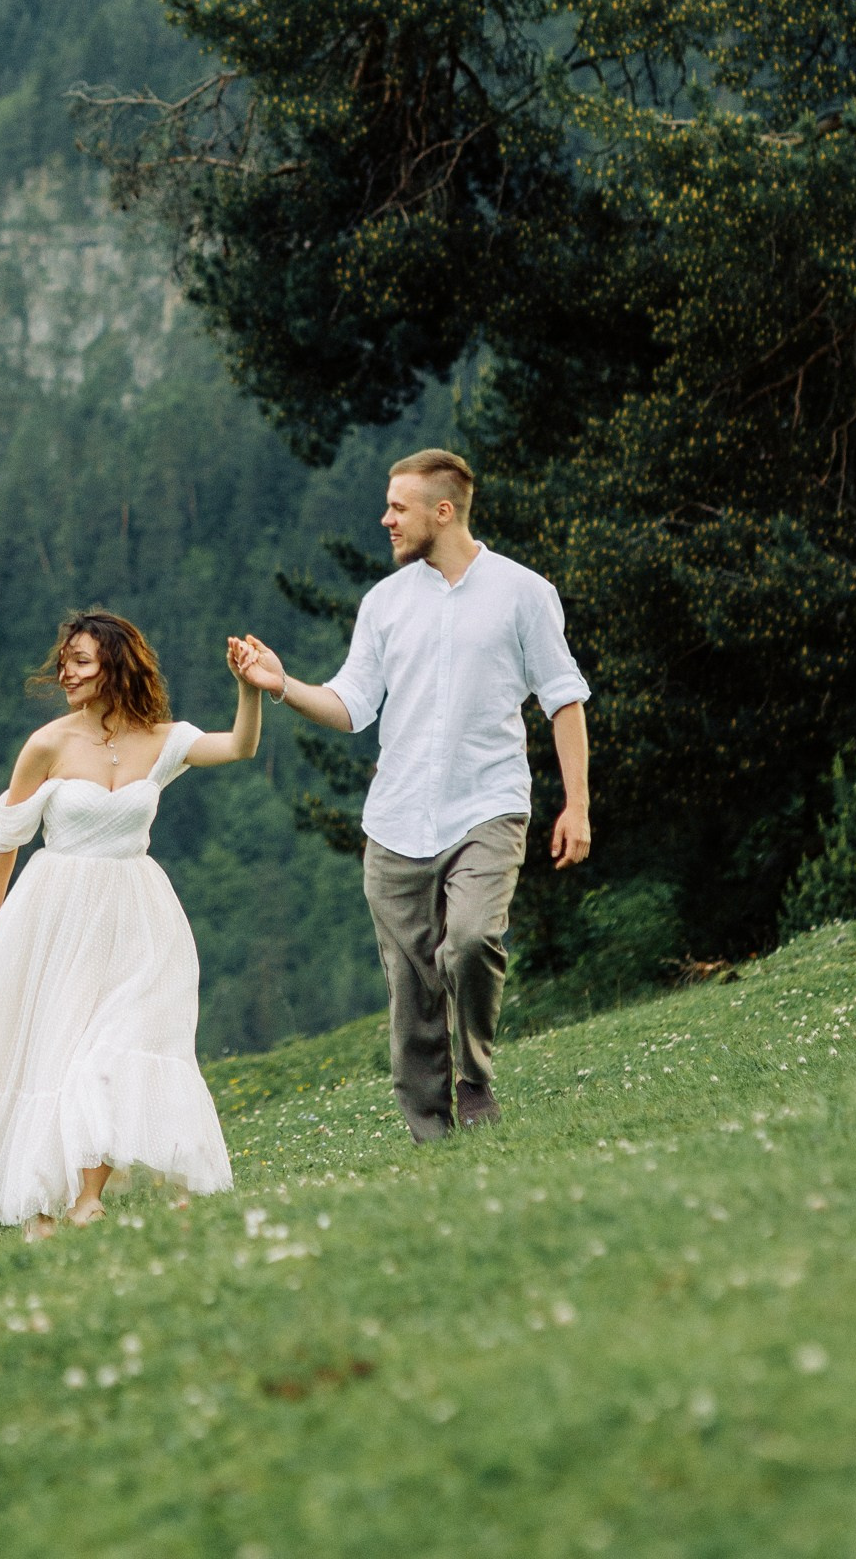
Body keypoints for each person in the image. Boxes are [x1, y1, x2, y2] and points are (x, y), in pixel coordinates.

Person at [231, 449, 589, 1139]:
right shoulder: (384, 604)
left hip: (489, 805)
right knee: (411, 989)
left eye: (398, 507)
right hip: (395, 821)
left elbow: (564, 699)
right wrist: (282, 684)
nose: (386, 519)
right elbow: (351, 704)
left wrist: (577, 805)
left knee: (472, 940)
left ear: (442, 511)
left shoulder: (523, 592)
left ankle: (475, 1079)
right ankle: (432, 1136)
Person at [0, 608, 263, 1231]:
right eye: (64, 663)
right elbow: (8, 833)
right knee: (53, 1054)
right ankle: (40, 1204)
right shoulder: (48, 744)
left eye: (81, 661)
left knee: (116, 1046)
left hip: (137, 914)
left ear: (116, 665)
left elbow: (240, 746)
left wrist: (249, 687)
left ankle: (88, 1198)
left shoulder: (164, 740)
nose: (67, 673)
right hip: (56, 913)